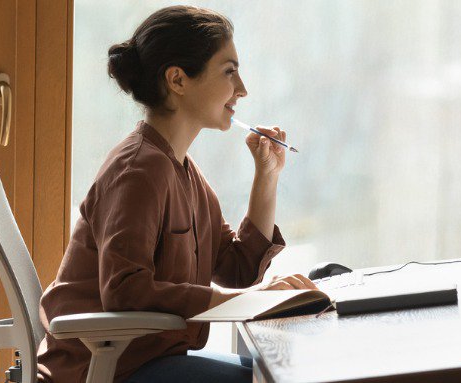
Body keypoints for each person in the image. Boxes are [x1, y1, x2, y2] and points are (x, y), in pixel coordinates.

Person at [35, 5, 316, 383]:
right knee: (277, 377)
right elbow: (126, 291)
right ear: (178, 80)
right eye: (229, 71)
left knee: (277, 372)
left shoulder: (182, 169)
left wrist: (266, 176)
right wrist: (249, 301)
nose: (242, 89)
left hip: (147, 362)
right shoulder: (138, 170)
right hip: (105, 371)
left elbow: (238, 269)